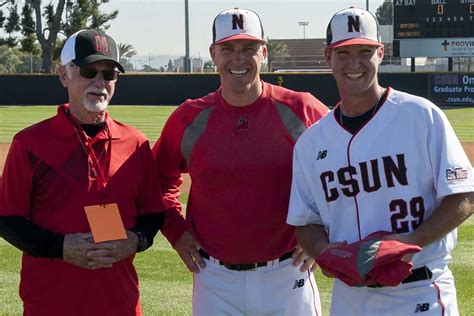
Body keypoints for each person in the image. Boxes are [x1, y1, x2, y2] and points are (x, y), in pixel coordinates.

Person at [287, 6, 474, 315]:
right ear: (328, 57)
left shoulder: (420, 116)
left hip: (418, 289)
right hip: (350, 296)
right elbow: (306, 221)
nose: (354, 63)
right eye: (344, 53)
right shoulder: (311, 143)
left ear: (381, 53)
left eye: (364, 51)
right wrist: (322, 251)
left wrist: (410, 242)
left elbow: (463, 194)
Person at [153, 7, 328, 316]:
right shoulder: (190, 118)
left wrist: (324, 230)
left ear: (263, 52)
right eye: (228, 49)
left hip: (288, 273)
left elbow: (341, 172)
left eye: (248, 48)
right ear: (213, 53)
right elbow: (157, 180)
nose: (238, 59)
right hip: (214, 277)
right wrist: (176, 231)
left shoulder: (301, 109)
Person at [0, 29, 164, 315]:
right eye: (89, 71)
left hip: (120, 303)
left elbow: (152, 214)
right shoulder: (29, 143)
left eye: (109, 74)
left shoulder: (136, 143)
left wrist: (136, 241)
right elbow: (7, 219)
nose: (99, 82)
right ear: (64, 75)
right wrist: (61, 247)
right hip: (50, 304)